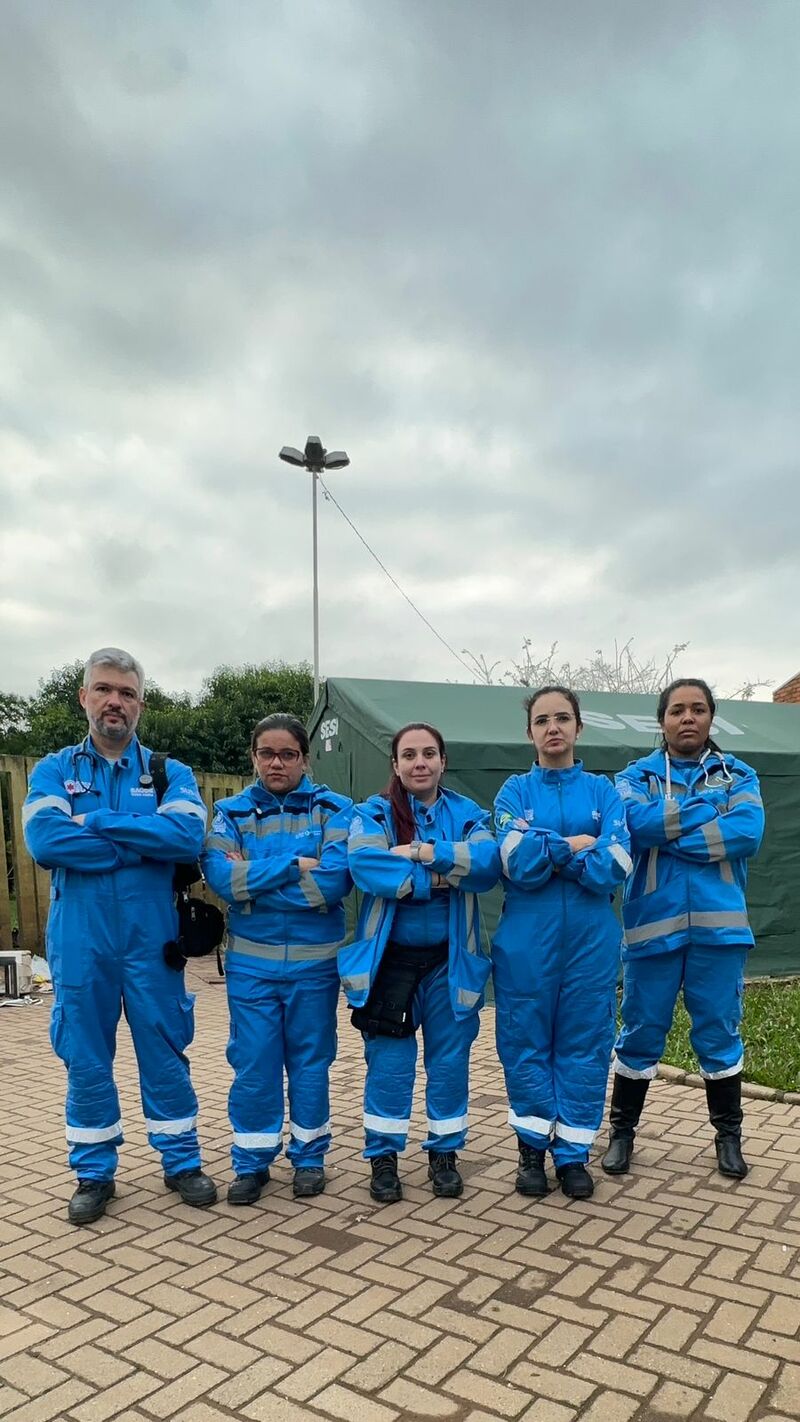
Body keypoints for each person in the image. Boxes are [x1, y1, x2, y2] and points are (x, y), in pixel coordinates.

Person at [23, 647, 215, 1225]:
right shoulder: (55, 769)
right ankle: (94, 1172)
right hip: (81, 938)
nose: (115, 701)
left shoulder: (167, 772)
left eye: (126, 693)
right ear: (84, 697)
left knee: (164, 1047)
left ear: (140, 704)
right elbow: (47, 844)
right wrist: (140, 841)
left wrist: (98, 824)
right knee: (85, 1055)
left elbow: (185, 839)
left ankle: (181, 1161)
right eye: (104, 689)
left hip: (152, 937)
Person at [602, 678, 765, 1180]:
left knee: (718, 1032)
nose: (687, 718)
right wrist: (704, 815)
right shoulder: (634, 777)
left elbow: (748, 832)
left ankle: (729, 1137)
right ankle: (622, 1133)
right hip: (652, 930)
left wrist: (671, 835)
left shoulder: (738, 773)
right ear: (662, 720)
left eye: (697, 709)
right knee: (640, 1033)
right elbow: (632, 823)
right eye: (677, 710)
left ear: (711, 717)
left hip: (720, 933)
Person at [341, 722, 500, 1203]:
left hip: (451, 964)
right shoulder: (372, 812)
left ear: (442, 761)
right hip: (390, 962)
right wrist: (443, 876)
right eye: (408, 755)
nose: (419, 763)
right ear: (395, 765)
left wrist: (419, 851)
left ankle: (444, 1154)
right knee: (389, 1065)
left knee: (449, 1063)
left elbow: (488, 864)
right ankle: (384, 1159)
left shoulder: (468, 812)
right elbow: (366, 866)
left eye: (429, 753)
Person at [201, 714, 352, 1204]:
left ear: (305, 758)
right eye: (266, 753)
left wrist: (257, 885)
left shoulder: (336, 809)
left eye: (288, 753)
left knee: (311, 1062)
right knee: (254, 1063)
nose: (276, 762)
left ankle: (309, 1158)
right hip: (251, 968)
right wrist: (291, 866)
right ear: (253, 757)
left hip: (315, 966)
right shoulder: (229, 811)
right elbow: (224, 883)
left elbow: (334, 882)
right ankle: (252, 1162)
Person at [493, 686, 632, 1200]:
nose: (553, 728)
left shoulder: (604, 793)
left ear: (579, 726)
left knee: (585, 1045)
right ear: (529, 731)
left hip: (592, 942)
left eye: (563, 718)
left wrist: (546, 849)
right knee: (524, 1042)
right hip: (527, 941)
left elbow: (614, 866)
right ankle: (531, 1150)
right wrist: (576, 845)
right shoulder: (512, 793)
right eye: (542, 720)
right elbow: (515, 862)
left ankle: (572, 1154)